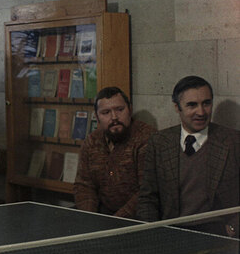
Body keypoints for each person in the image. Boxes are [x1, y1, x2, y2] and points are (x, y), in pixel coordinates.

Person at [137, 76, 239, 236]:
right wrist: (151, 233)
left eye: (206, 103)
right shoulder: (160, 142)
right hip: (171, 232)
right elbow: (148, 197)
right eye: (192, 105)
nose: (201, 112)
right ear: (177, 107)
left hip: (218, 234)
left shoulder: (233, 142)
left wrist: (232, 229)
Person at [74, 86, 156, 217]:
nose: (114, 117)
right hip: (102, 214)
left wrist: (116, 221)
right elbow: (84, 185)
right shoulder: (92, 141)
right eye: (106, 112)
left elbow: (146, 190)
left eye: (120, 110)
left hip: (138, 218)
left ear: (130, 109)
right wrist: (89, 217)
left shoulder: (146, 138)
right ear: (97, 117)